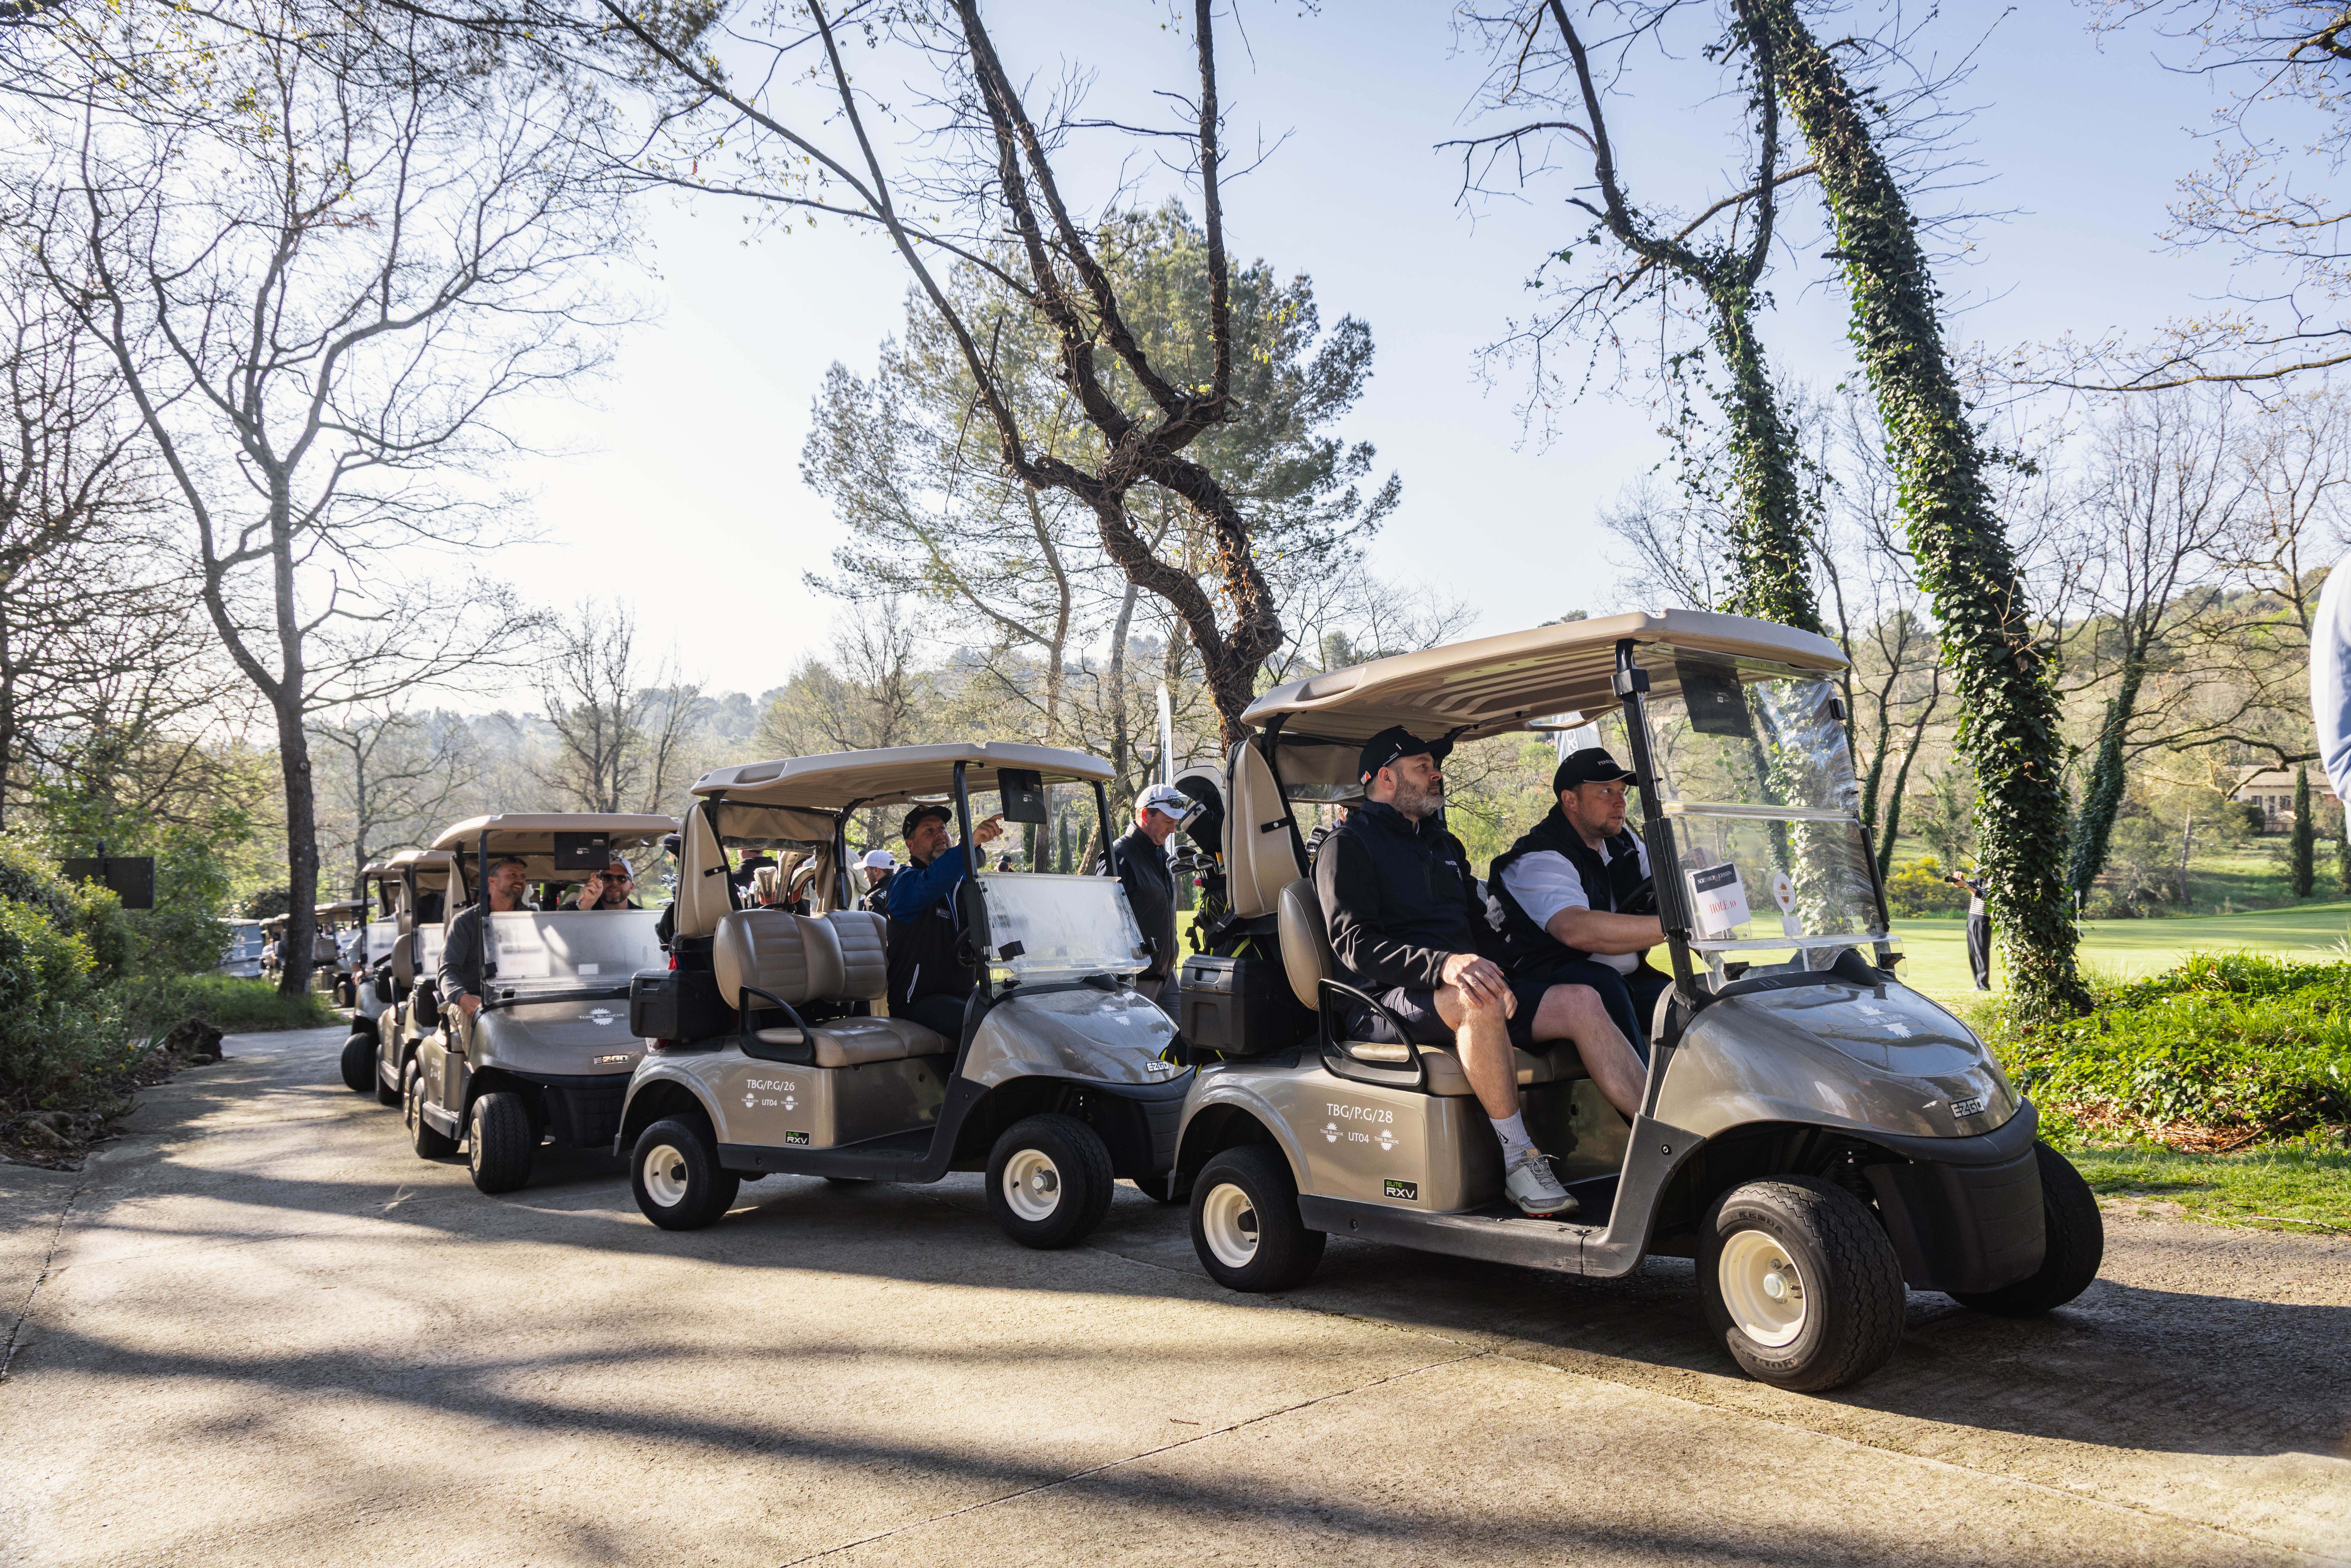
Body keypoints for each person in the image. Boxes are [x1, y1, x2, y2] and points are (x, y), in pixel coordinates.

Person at [1317, 727, 1646, 1218]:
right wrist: (1444, 965)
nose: (1436, 774)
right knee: (1479, 997)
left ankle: (1658, 1141)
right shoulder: (1349, 845)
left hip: (1459, 987)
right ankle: (1520, 1158)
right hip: (1385, 1001)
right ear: (1386, 778)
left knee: (1582, 997)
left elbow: (1479, 927)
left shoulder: (1442, 844)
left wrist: (1509, 970)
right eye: (1423, 767)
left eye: (1435, 766)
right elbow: (1354, 944)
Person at [1489, 748, 1673, 1061]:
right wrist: (1674, 925)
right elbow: (1576, 930)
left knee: (1686, 1004)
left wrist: (1693, 876)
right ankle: (1644, 1091)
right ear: (1570, 801)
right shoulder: (1538, 857)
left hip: (1625, 979)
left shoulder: (1625, 843)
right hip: (1545, 983)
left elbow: (1665, 885)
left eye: (1622, 791)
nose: (1620, 802)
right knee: (1606, 986)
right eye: (1606, 792)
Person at [884, 803, 1004, 1041]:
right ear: (911, 845)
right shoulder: (904, 883)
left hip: (962, 993)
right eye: (929, 831)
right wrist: (968, 846)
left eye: (943, 828)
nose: (940, 834)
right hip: (916, 1002)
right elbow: (932, 881)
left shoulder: (961, 885)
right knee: (987, 1027)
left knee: (1017, 1011)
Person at [1110, 783, 1199, 1009]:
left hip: (1167, 977)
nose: (1173, 830)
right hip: (1136, 982)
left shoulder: (1162, 855)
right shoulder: (1119, 857)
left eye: (1175, 823)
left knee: (1182, 1032)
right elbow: (1104, 923)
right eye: (1168, 821)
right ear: (1145, 816)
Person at [440, 857, 533, 1026]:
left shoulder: (532, 919)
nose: (520, 880)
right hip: (477, 1000)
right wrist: (463, 998)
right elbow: (447, 972)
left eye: (523, 877)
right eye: (512, 875)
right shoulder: (465, 922)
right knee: (480, 1019)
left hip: (522, 999)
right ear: (492, 882)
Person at [1946, 869, 1991, 989]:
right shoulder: (1979, 881)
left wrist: (1967, 886)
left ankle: (1984, 986)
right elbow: (1960, 885)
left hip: (1983, 920)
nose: (1982, 875)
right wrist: (1957, 879)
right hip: (1972, 918)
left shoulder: (1994, 884)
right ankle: (1979, 984)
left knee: (1981, 952)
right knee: (1973, 953)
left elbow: (1984, 897)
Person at [571, 856, 640, 911]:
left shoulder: (642, 916)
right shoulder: (581, 907)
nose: (614, 883)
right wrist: (586, 905)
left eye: (622, 879)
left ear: (631, 887)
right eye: (607, 877)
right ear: (597, 881)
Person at [858, 849, 897, 915]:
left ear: (876, 870)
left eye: (866, 871)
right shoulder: (905, 887)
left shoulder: (874, 899)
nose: (865, 877)